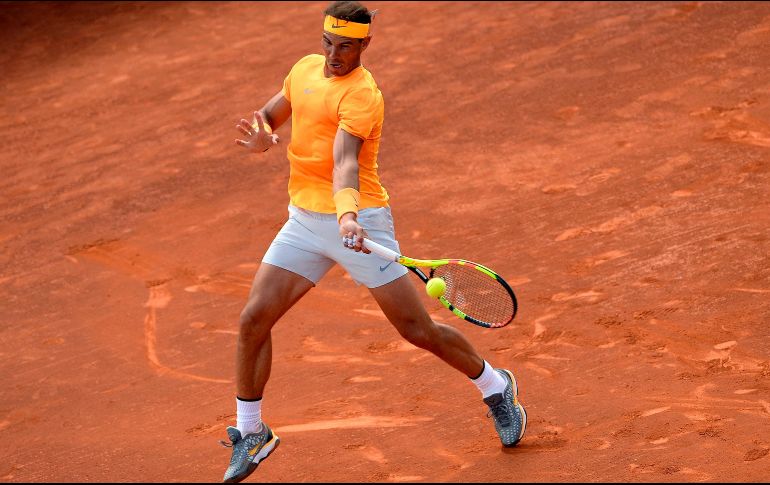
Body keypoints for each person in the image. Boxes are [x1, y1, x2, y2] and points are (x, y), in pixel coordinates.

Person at [223, 1, 526, 482]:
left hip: (360, 223)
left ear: (366, 44)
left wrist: (348, 215)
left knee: (417, 331)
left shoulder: (363, 95)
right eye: (328, 42)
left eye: (346, 45)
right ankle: (251, 431)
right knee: (253, 319)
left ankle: (495, 386)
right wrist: (263, 136)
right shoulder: (304, 68)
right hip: (303, 222)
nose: (333, 54)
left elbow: (345, 160)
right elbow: (271, 114)